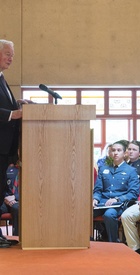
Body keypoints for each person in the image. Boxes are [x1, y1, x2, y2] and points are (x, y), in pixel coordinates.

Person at [0, 39, 30, 247]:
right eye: (8, 54)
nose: (12, 58)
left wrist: (16, 104)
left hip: (5, 148)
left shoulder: (2, 78)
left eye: (12, 54)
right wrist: (14, 113)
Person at [93, 140, 140, 242]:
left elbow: (133, 193)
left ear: (124, 153)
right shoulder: (103, 169)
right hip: (102, 202)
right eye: (113, 150)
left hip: (118, 204)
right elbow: (98, 189)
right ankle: (87, 241)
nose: (115, 153)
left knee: (109, 214)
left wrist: (117, 199)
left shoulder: (130, 171)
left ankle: (113, 242)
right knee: (86, 212)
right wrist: (95, 199)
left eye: (119, 150)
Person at [0, 162, 19, 236]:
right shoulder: (9, 170)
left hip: (20, 200)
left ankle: (17, 237)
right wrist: (5, 197)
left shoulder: (30, 171)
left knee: (16, 208)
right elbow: (4, 187)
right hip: (7, 199)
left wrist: (15, 197)